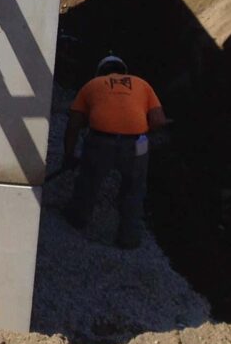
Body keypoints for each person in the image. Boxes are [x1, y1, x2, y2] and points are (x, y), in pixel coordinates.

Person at [62, 55, 169, 249]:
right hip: (138, 143)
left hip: (101, 141)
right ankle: (129, 239)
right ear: (124, 71)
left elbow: (73, 125)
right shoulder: (142, 84)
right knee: (135, 189)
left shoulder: (92, 85)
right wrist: (139, 130)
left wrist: (68, 155)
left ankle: (77, 219)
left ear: (99, 72)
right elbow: (159, 120)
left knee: (88, 182)